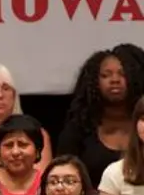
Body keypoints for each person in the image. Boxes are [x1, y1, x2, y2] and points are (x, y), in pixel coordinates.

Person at [57, 46, 144, 187]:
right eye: (105, 75)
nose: (115, 80)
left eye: (123, 74)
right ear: (93, 82)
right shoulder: (79, 129)